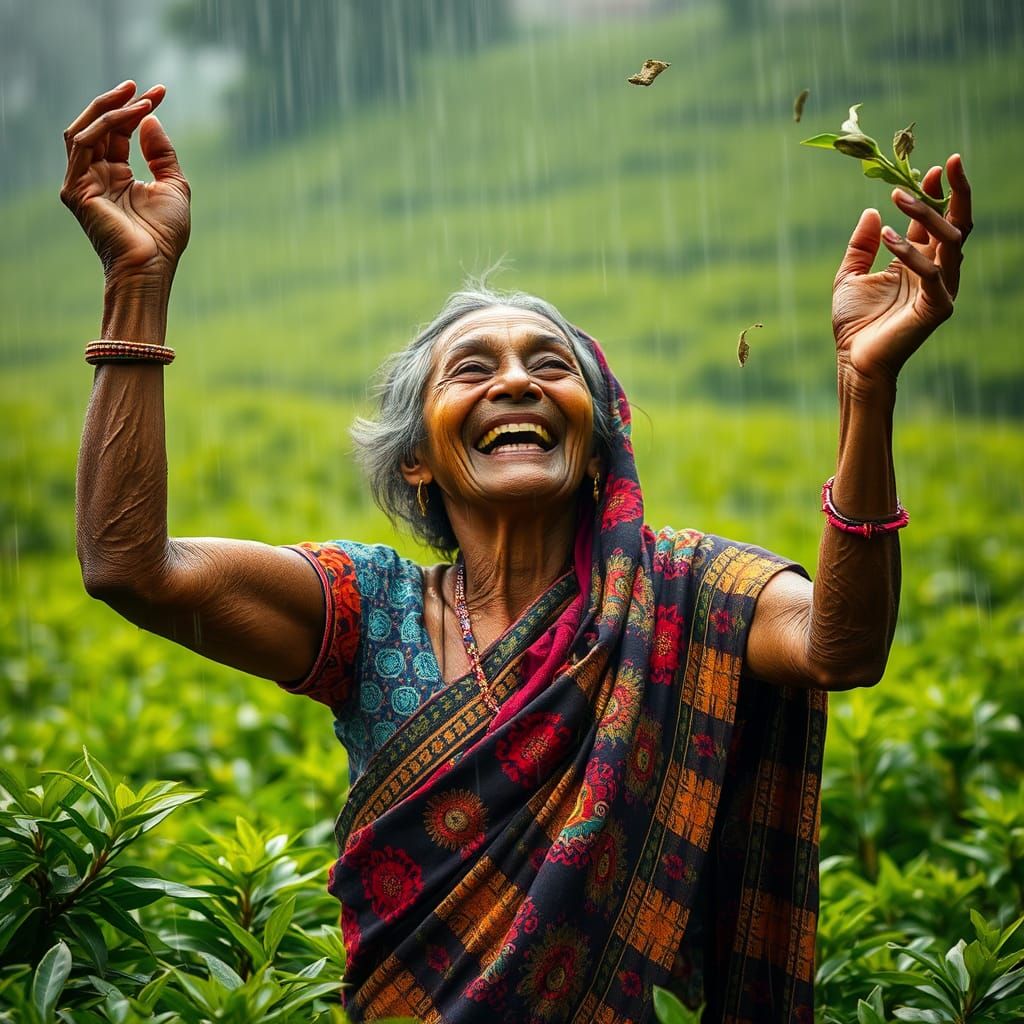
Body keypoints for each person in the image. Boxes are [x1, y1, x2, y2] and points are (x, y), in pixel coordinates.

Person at [61, 81, 971, 1024]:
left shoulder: (692, 590)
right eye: (472, 368)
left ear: (598, 445)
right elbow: (130, 567)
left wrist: (867, 387)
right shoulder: (370, 608)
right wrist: (138, 280)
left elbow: (840, 648)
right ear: (416, 460)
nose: (516, 382)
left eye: (549, 365)